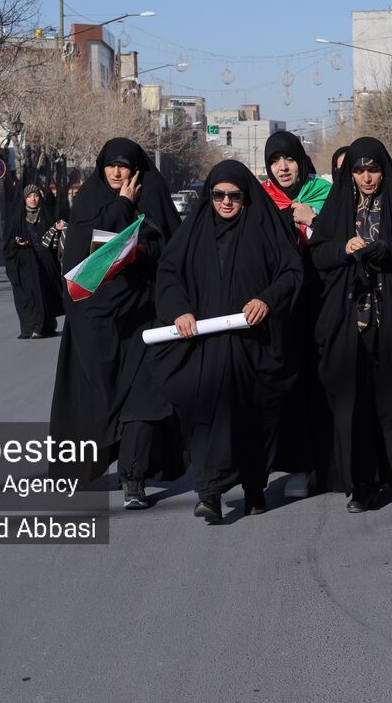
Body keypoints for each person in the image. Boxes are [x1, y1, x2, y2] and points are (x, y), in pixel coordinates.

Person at [152, 160, 303, 522]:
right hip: (206, 349)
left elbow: (291, 272)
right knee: (206, 417)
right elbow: (169, 275)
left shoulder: (264, 230)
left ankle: (254, 488)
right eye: (218, 194)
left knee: (255, 419)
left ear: (246, 197)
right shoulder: (194, 232)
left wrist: (267, 300)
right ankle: (210, 493)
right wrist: (180, 311)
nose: (225, 202)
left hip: (255, 346)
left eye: (234, 195)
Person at [49, 138, 184, 510]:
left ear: (137, 169)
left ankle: (133, 478)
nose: (117, 172)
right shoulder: (88, 202)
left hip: (145, 317)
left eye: (124, 165)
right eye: (111, 165)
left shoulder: (154, 199)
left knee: (143, 400)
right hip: (96, 323)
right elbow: (81, 261)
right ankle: (83, 467)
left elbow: (174, 251)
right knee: (97, 402)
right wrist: (122, 206)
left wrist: (143, 249)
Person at [310, 137, 392, 512]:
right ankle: (361, 483)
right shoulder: (339, 206)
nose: (366, 177)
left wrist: (389, 250)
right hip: (348, 321)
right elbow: (319, 254)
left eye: (373, 169)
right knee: (355, 403)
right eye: (359, 170)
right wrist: (343, 250)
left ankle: (391, 471)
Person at [261, 130, 334, 499]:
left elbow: (343, 235)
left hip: (323, 301)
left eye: (289, 159)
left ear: (301, 161)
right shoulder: (261, 199)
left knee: (324, 381)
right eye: (275, 161)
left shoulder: (325, 193)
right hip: (283, 306)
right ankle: (297, 465)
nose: (283, 167)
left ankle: (328, 462)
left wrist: (314, 218)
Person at [3, 183, 65, 339]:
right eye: (29, 196)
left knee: (46, 294)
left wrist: (58, 229)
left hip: (45, 264)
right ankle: (34, 327)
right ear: (24, 199)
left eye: (36, 195)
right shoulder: (18, 219)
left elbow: (55, 240)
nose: (33, 199)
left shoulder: (46, 216)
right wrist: (16, 243)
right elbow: (8, 244)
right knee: (30, 295)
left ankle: (47, 325)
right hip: (26, 265)